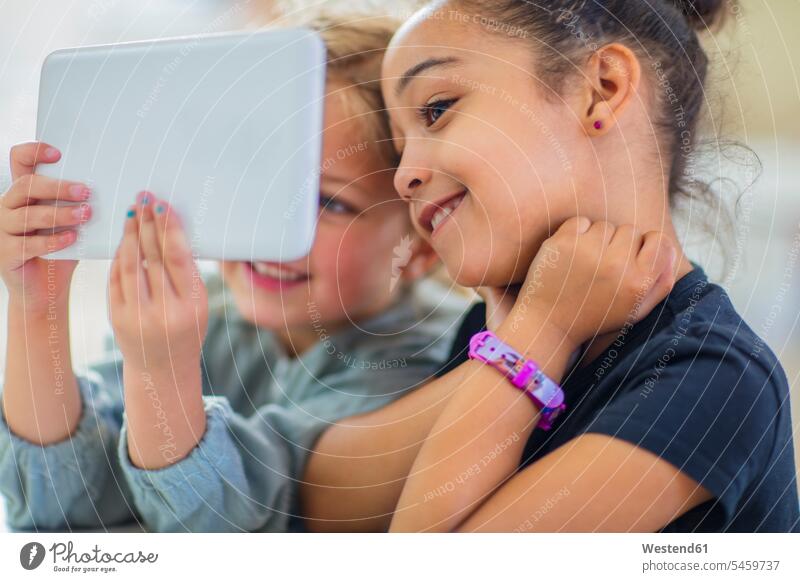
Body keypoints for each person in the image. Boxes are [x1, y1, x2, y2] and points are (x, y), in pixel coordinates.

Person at [302, 0, 799, 533]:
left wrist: (538, 336)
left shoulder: (712, 379)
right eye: (400, 149)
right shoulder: (504, 327)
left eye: (437, 109)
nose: (403, 178)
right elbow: (321, 502)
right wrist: (524, 336)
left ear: (601, 88)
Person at [0, 14, 468, 532]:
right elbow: (58, 502)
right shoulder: (215, 311)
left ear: (422, 244)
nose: (272, 224)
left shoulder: (414, 367)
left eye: (327, 201)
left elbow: (224, 533)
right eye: (254, 179)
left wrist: (160, 370)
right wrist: (37, 305)